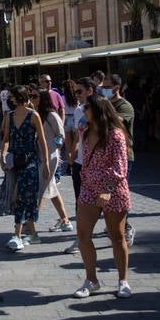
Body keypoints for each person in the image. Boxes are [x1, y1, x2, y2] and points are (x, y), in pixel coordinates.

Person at [73, 95, 132, 298]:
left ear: (98, 110)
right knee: (82, 235)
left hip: (113, 189)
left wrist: (107, 189)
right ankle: (91, 280)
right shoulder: (86, 130)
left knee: (116, 236)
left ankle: (123, 281)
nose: (83, 109)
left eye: (87, 107)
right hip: (89, 188)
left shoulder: (115, 135)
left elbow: (120, 167)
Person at [0, 85, 49, 251]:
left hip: (30, 161)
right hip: (14, 161)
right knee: (25, 197)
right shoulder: (10, 116)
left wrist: (46, 163)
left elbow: (42, 141)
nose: (9, 99)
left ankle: (17, 235)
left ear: (17, 97)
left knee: (19, 194)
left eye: (11, 96)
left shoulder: (33, 115)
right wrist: (1, 156)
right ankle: (33, 234)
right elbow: (6, 138)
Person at [101, 73, 136, 246]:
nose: (104, 90)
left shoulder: (125, 106)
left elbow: (116, 122)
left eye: (107, 87)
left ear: (116, 87)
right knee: (108, 195)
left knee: (120, 194)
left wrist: (103, 109)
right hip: (106, 156)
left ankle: (126, 227)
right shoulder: (105, 104)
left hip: (124, 157)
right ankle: (113, 226)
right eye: (102, 88)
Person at [32, 90, 72, 235]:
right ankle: (65, 220)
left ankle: (30, 221)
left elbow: (61, 135)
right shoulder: (37, 114)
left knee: (41, 189)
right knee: (51, 188)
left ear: (42, 99)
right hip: (40, 155)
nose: (32, 99)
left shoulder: (51, 115)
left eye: (35, 96)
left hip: (50, 157)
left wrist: (54, 148)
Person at [64, 77, 96, 254]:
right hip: (80, 163)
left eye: (79, 91)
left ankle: (121, 231)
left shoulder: (102, 109)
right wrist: (72, 151)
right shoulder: (77, 110)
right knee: (80, 203)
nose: (76, 95)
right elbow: (78, 134)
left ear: (90, 91)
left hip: (98, 165)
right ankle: (81, 239)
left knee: (105, 204)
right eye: (75, 91)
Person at [62, 80, 79, 175]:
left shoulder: (62, 97)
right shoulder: (76, 97)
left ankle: (69, 165)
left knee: (68, 145)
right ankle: (75, 161)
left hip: (66, 119)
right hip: (75, 118)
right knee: (75, 142)